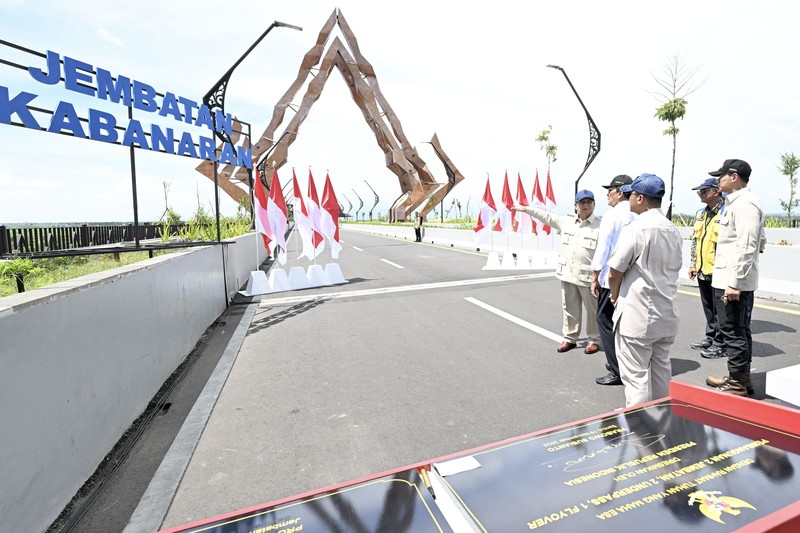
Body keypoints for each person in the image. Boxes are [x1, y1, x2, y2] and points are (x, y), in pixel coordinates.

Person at [607, 174, 683, 407]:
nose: (628, 199)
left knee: (636, 375)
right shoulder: (672, 229)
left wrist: (613, 292)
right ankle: (662, 418)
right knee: (661, 369)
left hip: (638, 314)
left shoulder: (636, 228)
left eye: (630, 195)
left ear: (640, 198)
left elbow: (615, 270)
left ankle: (640, 430)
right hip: (667, 311)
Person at [514, 189, 601, 353]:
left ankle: (594, 339)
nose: (586, 205)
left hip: (588, 277)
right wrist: (527, 209)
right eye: (582, 202)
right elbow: (546, 216)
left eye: (589, 202)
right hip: (568, 274)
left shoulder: (601, 225)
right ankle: (570, 338)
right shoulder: (565, 222)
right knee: (569, 309)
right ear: (575, 206)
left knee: (592, 311)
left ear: (594, 204)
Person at [704, 159, 764, 396]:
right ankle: (741, 378)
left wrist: (735, 282)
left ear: (734, 176)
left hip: (732, 281)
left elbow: (748, 245)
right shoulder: (736, 203)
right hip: (729, 278)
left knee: (733, 331)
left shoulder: (746, 204)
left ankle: (738, 383)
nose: (718, 180)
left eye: (721, 176)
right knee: (737, 329)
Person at [591, 174, 635, 386]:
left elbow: (603, 249)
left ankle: (618, 369)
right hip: (633, 279)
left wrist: (594, 276)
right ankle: (624, 362)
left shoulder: (613, 215)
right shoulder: (640, 213)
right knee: (625, 323)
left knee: (605, 320)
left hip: (612, 279)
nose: (607, 195)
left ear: (619, 192)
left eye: (609, 191)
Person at [687, 178, 725, 359]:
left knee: (720, 310)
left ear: (716, 191)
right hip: (703, 269)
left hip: (719, 271)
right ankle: (710, 337)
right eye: (699, 192)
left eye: (704, 191)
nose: (700, 194)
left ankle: (720, 342)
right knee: (708, 308)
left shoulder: (726, 213)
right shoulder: (701, 214)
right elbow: (695, 240)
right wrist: (693, 263)